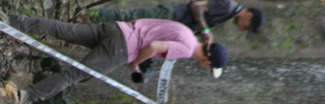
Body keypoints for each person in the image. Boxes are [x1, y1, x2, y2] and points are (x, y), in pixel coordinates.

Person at [3, 14, 229, 104]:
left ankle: (12, 21)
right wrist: (136, 64)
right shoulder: (187, 49)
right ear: (208, 61)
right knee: (74, 76)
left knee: (64, 30)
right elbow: (155, 46)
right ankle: (28, 97)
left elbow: (152, 35)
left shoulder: (188, 33)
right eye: (210, 67)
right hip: (121, 49)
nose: (206, 67)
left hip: (117, 29)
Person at [85, 0, 265, 45]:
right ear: (248, 16)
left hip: (171, 23)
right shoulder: (227, 6)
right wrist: (204, 31)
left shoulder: (227, 14)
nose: (243, 28)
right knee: (128, 16)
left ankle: (87, 23)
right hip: (171, 14)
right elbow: (196, 5)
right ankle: (88, 14)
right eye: (247, 26)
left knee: (129, 25)